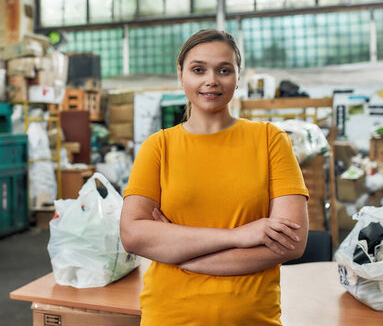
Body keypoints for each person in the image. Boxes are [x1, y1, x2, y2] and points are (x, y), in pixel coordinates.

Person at [119, 29, 309, 326]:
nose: (211, 80)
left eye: (224, 70)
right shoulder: (158, 146)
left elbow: (292, 243)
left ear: (237, 77)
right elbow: (133, 235)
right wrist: (239, 236)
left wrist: (178, 252)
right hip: (169, 317)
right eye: (198, 70)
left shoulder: (270, 140)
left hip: (252, 319)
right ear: (181, 75)